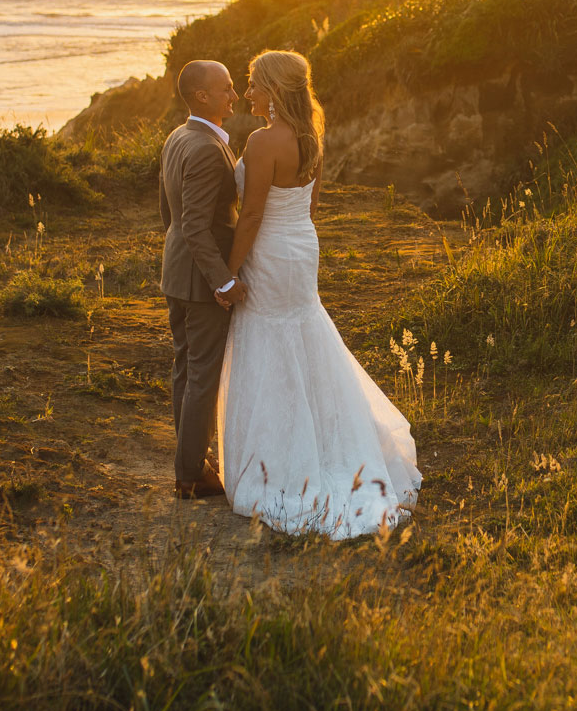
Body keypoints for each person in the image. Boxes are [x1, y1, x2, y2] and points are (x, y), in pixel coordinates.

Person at [216, 49, 420, 538]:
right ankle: (334, 444)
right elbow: (311, 203)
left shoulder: (264, 142)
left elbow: (252, 216)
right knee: (304, 334)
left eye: (254, 84)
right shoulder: (311, 137)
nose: (247, 93)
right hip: (302, 245)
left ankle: (288, 461)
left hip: (270, 251)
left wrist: (227, 271)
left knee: (272, 340)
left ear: (275, 88)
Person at [158, 58, 246, 499]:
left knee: (184, 370)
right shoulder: (209, 149)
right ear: (201, 96)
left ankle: (190, 460)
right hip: (199, 279)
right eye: (226, 88)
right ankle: (190, 474)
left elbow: (169, 214)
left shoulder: (178, 136)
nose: (234, 95)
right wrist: (223, 280)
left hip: (177, 272)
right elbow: (195, 224)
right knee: (201, 377)